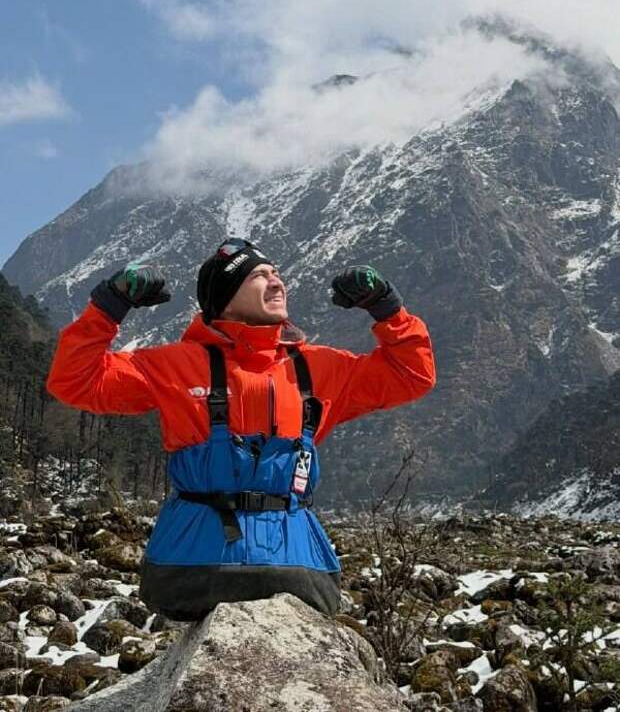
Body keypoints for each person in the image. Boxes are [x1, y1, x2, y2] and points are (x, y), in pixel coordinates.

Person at [47, 238, 435, 620]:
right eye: (259, 275)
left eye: (276, 273)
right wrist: (109, 305)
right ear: (226, 297)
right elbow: (76, 380)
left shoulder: (320, 369)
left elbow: (411, 375)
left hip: (296, 567)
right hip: (192, 568)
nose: (277, 281)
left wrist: (388, 309)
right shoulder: (174, 366)